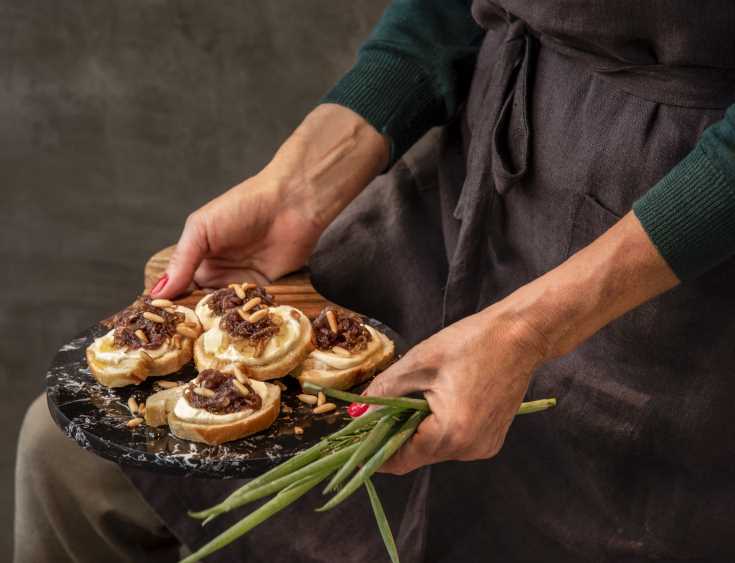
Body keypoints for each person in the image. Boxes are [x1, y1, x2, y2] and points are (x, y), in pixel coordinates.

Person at [16, 0, 735, 561]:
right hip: (472, 179)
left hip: (676, 260)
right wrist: (299, 184)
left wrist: (525, 329)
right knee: (69, 452)